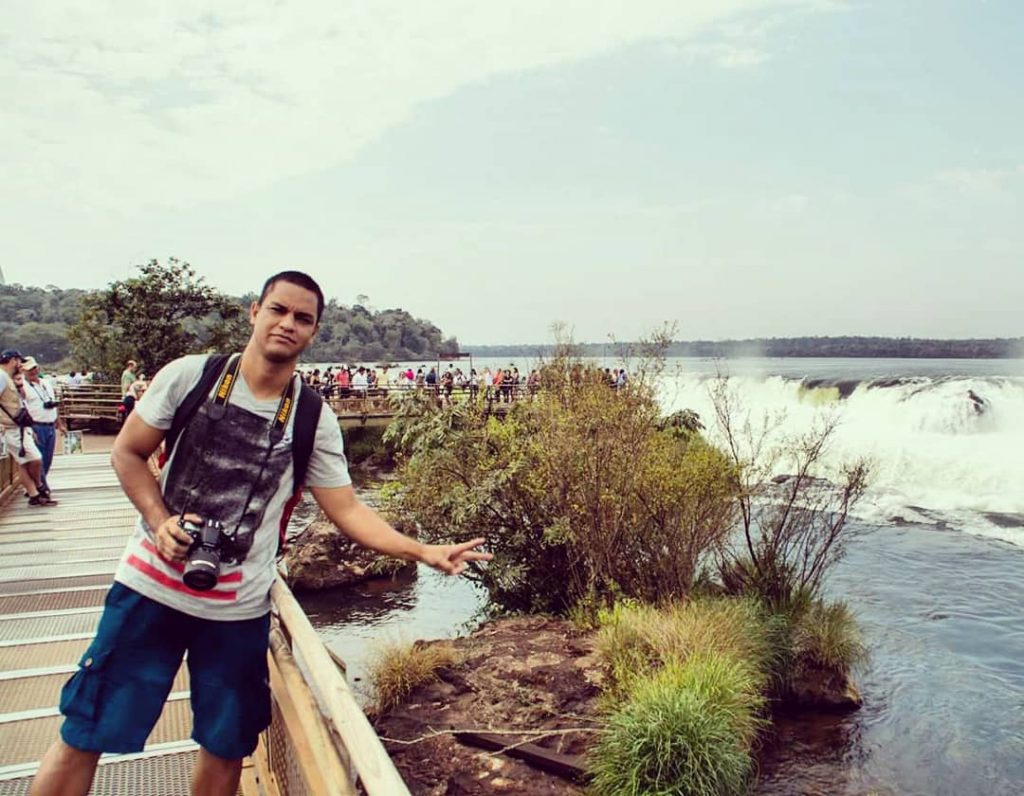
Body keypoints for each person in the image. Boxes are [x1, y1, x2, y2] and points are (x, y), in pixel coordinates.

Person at [28, 271, 490, 796]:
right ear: (255, 312)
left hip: (236, 611)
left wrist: (422, 550)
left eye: (302, 318)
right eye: (278, 310)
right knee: (84, 729)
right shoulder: (190, 377)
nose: (287, 324)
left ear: (313, 333)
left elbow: (347, 509)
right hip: (148, 589)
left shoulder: (313, 418)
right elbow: (127, 452)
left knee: (226, 747)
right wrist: (160, 522)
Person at [0, 349, 57, 506]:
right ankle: (39, 486)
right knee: (35, 458)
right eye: (19, 360)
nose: (20, 364)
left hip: (20, 426)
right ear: (12, 360)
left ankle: (35, 495)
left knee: (24, 462)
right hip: (11, 427)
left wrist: (18, 387)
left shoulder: (9, 378)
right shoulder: (1, 377)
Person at [21, 356, 65, 493]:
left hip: (50, 425)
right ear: (23, 371)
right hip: (36, 426)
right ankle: (41, 489)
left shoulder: (46, 383)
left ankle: (36, 486)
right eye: (29, 370)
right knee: (37, 459)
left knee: (47, 460)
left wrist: (60, 424)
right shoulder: (23, 386)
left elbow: (53, 405)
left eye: (34, 368)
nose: (33, 371)